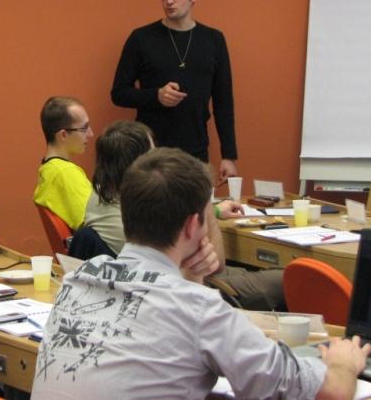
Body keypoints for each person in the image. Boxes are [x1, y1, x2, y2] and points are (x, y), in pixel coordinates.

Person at [32, 148, 371, 399]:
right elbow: (330, 392)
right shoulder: (199, 309)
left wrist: (190, 280)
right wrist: (344, 363)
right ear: (193, 224)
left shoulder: (78, 280)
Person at [84, 121, 283, 310]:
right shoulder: (144, 211)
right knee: (286, 279)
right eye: (153, 152)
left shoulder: (102, 195)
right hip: (191, 287)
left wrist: (214, 211)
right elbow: (215, 264)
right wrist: (204, 200)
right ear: (142, 162)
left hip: (159, 284)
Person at [111, 0, 238, 183]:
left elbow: (223, 101)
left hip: (196, 150)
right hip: (150, 151)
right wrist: (156, 96)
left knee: (196, 205)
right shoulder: (141, 38)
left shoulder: (213, 40)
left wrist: (229, 155)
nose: (169, 1)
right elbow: (118, 93)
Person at [34, 96, 94, 230]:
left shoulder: (50, 169)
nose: (91, 134)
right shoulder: (64, 173)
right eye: (84, 128)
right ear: (63, 135)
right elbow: (97, 226)